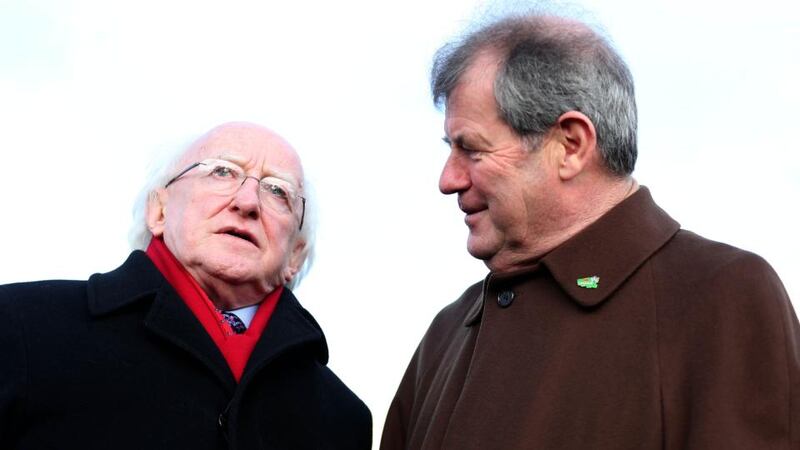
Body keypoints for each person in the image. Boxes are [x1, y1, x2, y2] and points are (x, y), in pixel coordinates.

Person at [381, 11, 800, 450]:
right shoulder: (445, 335)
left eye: (471, 149)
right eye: (451, 149)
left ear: (571, 145)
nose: (448, 180)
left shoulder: (720, 298)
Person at [0, 122, 371, 449]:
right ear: (159, 210)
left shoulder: (343, 419)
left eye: (278, 191)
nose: (247, 202)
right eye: (222, 171)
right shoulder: (21, 326)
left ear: (295, 255)